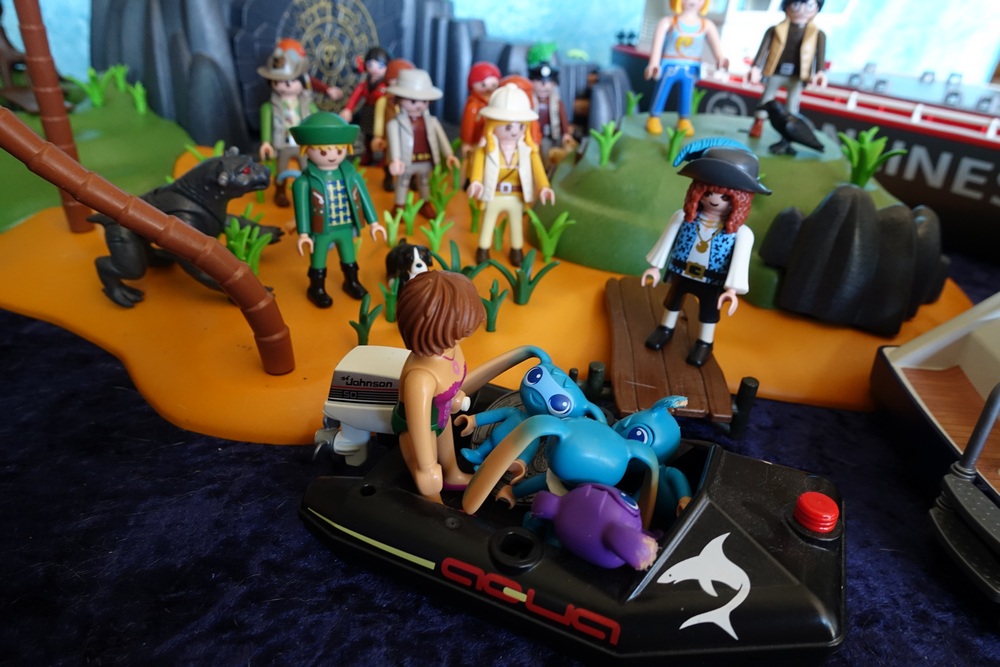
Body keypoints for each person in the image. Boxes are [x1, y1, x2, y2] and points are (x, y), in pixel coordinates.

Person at [642, 144, 771, 367]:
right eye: (708, 193)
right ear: (697, 192)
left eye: (725, 197)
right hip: (681, 270)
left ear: (739, 199)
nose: (714, 200)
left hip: (712, 279)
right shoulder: (683, 217)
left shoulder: (740, 233)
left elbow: (740, 262)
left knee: (709, 312)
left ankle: (705, 342)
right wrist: (655, 266)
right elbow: (666, 241)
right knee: (672, 301)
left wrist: (732, 289)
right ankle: (665, 328)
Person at [393, 271, 483, 503]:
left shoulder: (451, 348)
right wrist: (427, 468)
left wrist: (456, 396)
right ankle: (434, 503)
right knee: (428, 466)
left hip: (442, 415)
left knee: (447, 447)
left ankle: (453, 474)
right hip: (418, 430)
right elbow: (419, 426)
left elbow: (453, 379)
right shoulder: (421, 378)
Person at [289, 112, 385, 308]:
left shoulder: (350, 175)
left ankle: (351, 281)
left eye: (339, 150)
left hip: (346, 226)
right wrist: (304, 233)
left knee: (349, 257)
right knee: (318, 259)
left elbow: (365, 197)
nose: (332, 156)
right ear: (306, 150)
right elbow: (302, 208)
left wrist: (374, 222)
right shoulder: (304, 182)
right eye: (324, 152)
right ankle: (316, 288)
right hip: (321, 229)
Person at [466, 83, 555, 267]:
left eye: (520, 127)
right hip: (493, 194)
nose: (514, 131)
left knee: (516, 224)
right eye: (507, 127)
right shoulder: (486, 149)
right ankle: (483, 249)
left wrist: (544, 186)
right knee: (488, 222)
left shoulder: (527, 150)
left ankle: (516, 250)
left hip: (516, 195)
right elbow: (477, 168)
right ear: (493, 125)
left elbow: (538, 169)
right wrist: (475, 182)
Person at [644, 0, 727, 137]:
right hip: (670, 66)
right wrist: (654, 63)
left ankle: (684, 119)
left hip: (691, 68)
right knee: (662, 91)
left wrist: (720, 58)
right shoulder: (668, 22)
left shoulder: (706, 25)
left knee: (687, 94)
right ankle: (654, 117)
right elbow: (657, 45)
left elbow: (716, 46)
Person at [747, 0, 827, 138]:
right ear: (786, 6)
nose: (802, 9)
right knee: (767, 99)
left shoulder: (817, 34)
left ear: (817, 8)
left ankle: (790, 132)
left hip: (797, 75)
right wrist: (755, 67)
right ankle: (758, 122)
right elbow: (763, 50)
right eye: (796, 4)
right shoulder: (775, 29)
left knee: (793, 104)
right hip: (775, 71)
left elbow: (819, 56)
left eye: (809, 5)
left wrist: (820, 72)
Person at [386, 68, 460, 218]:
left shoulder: (432, 121)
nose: (419, 105)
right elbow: (394, 143)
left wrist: (449, 155)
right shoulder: (395, 123)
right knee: (402, 183)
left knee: (424, 182)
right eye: (413, 101)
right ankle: (399, 206)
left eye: (424, 101)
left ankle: (425, 204)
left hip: (425, 159)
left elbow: (442, 138)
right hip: (406, 161)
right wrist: (395, 159)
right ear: (399, 99)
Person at [257, 46, 317, 207]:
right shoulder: (270, 107)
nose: (282, 87)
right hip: (282, 144)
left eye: (289, 82)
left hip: (304, 145)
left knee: (307, 169)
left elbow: (317, 121)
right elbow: (266, 125)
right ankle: (280, 192)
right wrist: (266, 143)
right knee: (281, 170)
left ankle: (309, 192)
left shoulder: (307, 105)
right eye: (276, 82)